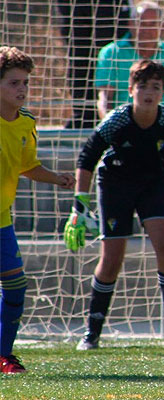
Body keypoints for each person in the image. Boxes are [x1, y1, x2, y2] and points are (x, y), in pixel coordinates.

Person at [65, 59, 164, 351]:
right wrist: (79, 205)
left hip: (153, 184)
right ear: (131, 89)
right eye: (143, 86)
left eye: (156, 87)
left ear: (163, 92)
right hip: (115, 185)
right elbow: (87, 158)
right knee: (112, 257)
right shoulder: (117, 120)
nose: (149, 92)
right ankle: (92, 331)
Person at [95, 0, 164, 232]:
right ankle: (103, 215)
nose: (148, 29)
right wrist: (110, 124)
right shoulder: (111, 53)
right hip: (126, 130)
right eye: (142, 23)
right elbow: (104, 97)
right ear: (131, 24)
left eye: (153, 24)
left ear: (161, 26)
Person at [0, 46, 75, 373]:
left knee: (16, 287)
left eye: (25, 83)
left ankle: (4, 355)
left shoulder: (27, 122)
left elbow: (26, 166)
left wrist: (56, 178)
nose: (22, 90)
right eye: (14, 83)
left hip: (3, 221)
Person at [56, 0, 133, 128]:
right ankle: (83, 116)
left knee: (111, 54)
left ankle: (117, 116)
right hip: (76, 6)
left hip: (110, 7)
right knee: (79, 57)